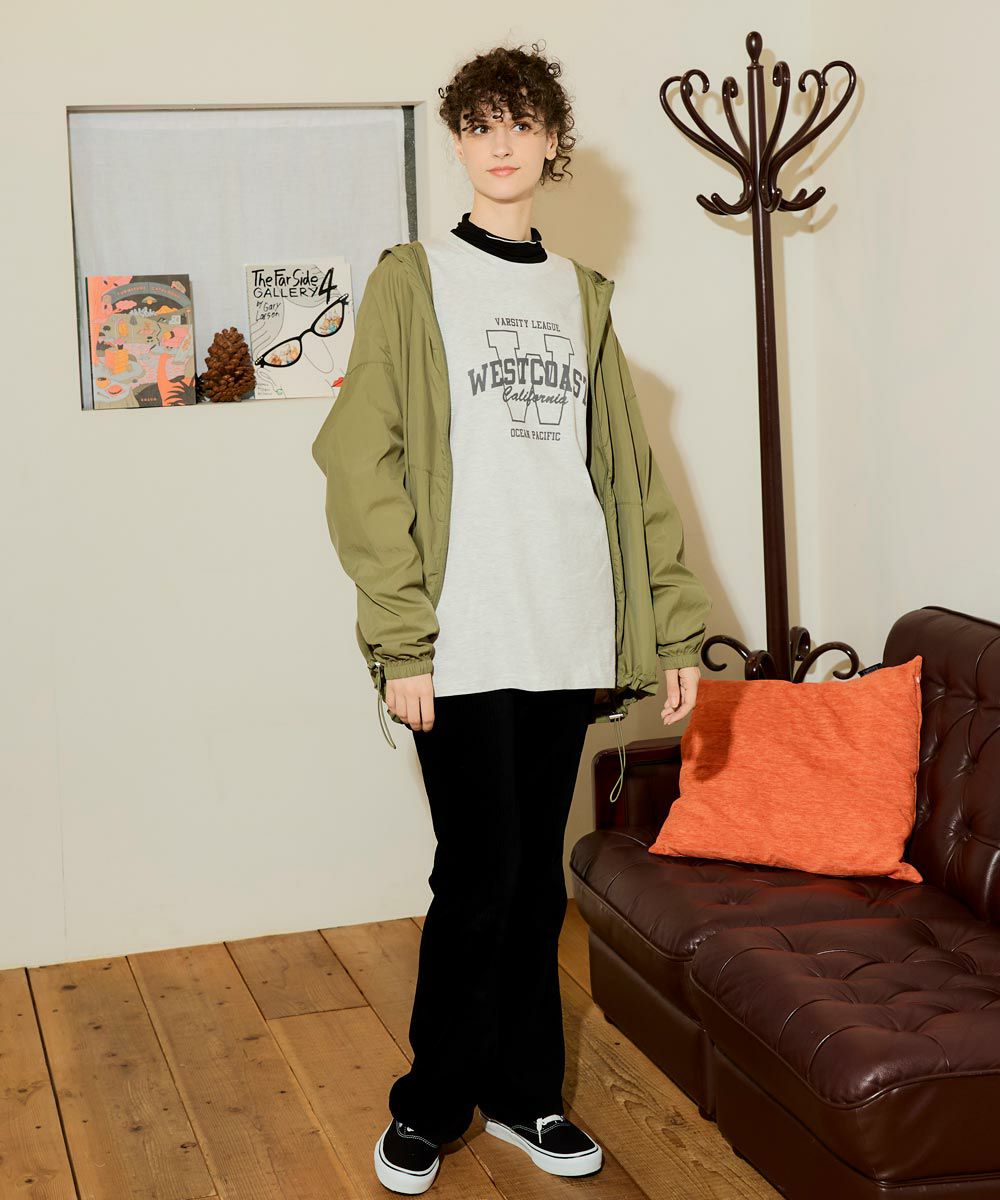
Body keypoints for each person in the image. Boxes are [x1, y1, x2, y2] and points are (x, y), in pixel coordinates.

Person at [311, 41, 712, 1196]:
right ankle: (432, 1103)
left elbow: (627, 477)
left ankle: (528, 1096)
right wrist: (401, 639)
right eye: (481, 123)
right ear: (458, 139)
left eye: (522, 123)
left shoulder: (581, 296)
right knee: (477, 876)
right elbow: (359, 466)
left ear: (551, 143)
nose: (501, 143)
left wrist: (669, 628)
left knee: (535, 880)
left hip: (568, 626)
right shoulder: (413, 280)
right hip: (461, 633)